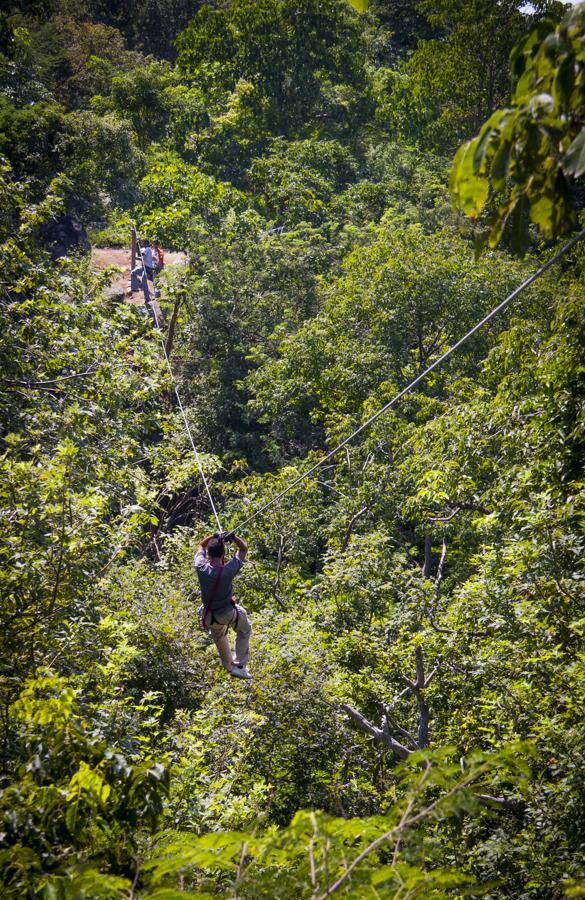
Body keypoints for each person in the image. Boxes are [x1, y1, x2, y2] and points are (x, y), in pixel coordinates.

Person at [195, 531, 252, 680]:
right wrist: (233, 537)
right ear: (223, 555)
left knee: (219, 635)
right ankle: (239, 665)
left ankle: (229, 666)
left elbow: (201, 545)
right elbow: (243, 549)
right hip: (227, 613)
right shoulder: (228, 570)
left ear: (208, 555)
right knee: (245, 628)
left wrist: (214, 536)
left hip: (209, 616)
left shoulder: (201, 567)